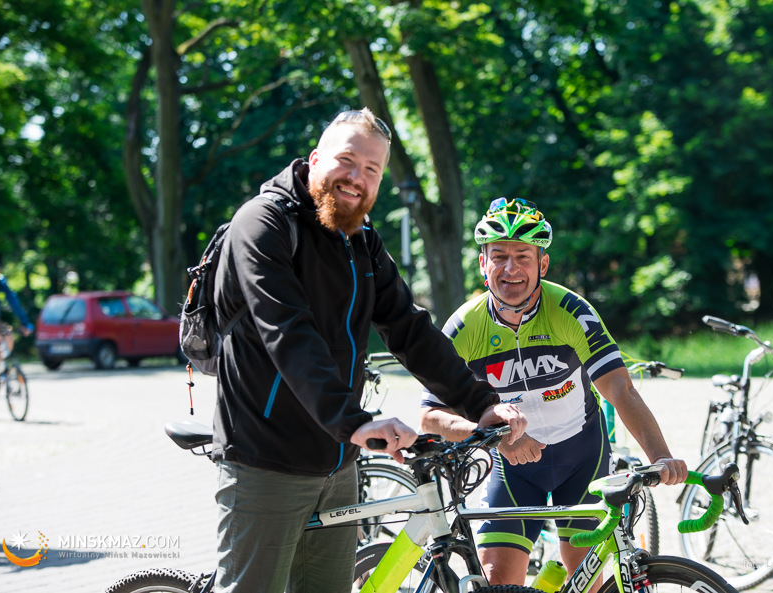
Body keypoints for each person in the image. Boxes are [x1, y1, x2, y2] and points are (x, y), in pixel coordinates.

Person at [210, 108, 526, 593]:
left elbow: (408, 328)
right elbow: (288, 332)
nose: (357, 178)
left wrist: (481, 403)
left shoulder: (360, 240)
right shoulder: (262, 224)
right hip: (265, 459)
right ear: (316, 159)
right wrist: (355, 422)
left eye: (372, 170)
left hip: (338, 464)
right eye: (347, 160)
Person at [419, 198, 688, 587]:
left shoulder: (571, 311)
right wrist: (490, 437)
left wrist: (660, 456)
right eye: (499, 256)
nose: (510, 268)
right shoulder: (464, 327)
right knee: (498, 581)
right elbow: (430, 416)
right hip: (511, 466)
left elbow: (620, 388)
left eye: (523, 257)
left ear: (542, 265)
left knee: (585, 579)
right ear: (482, 264)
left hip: (581, 457)